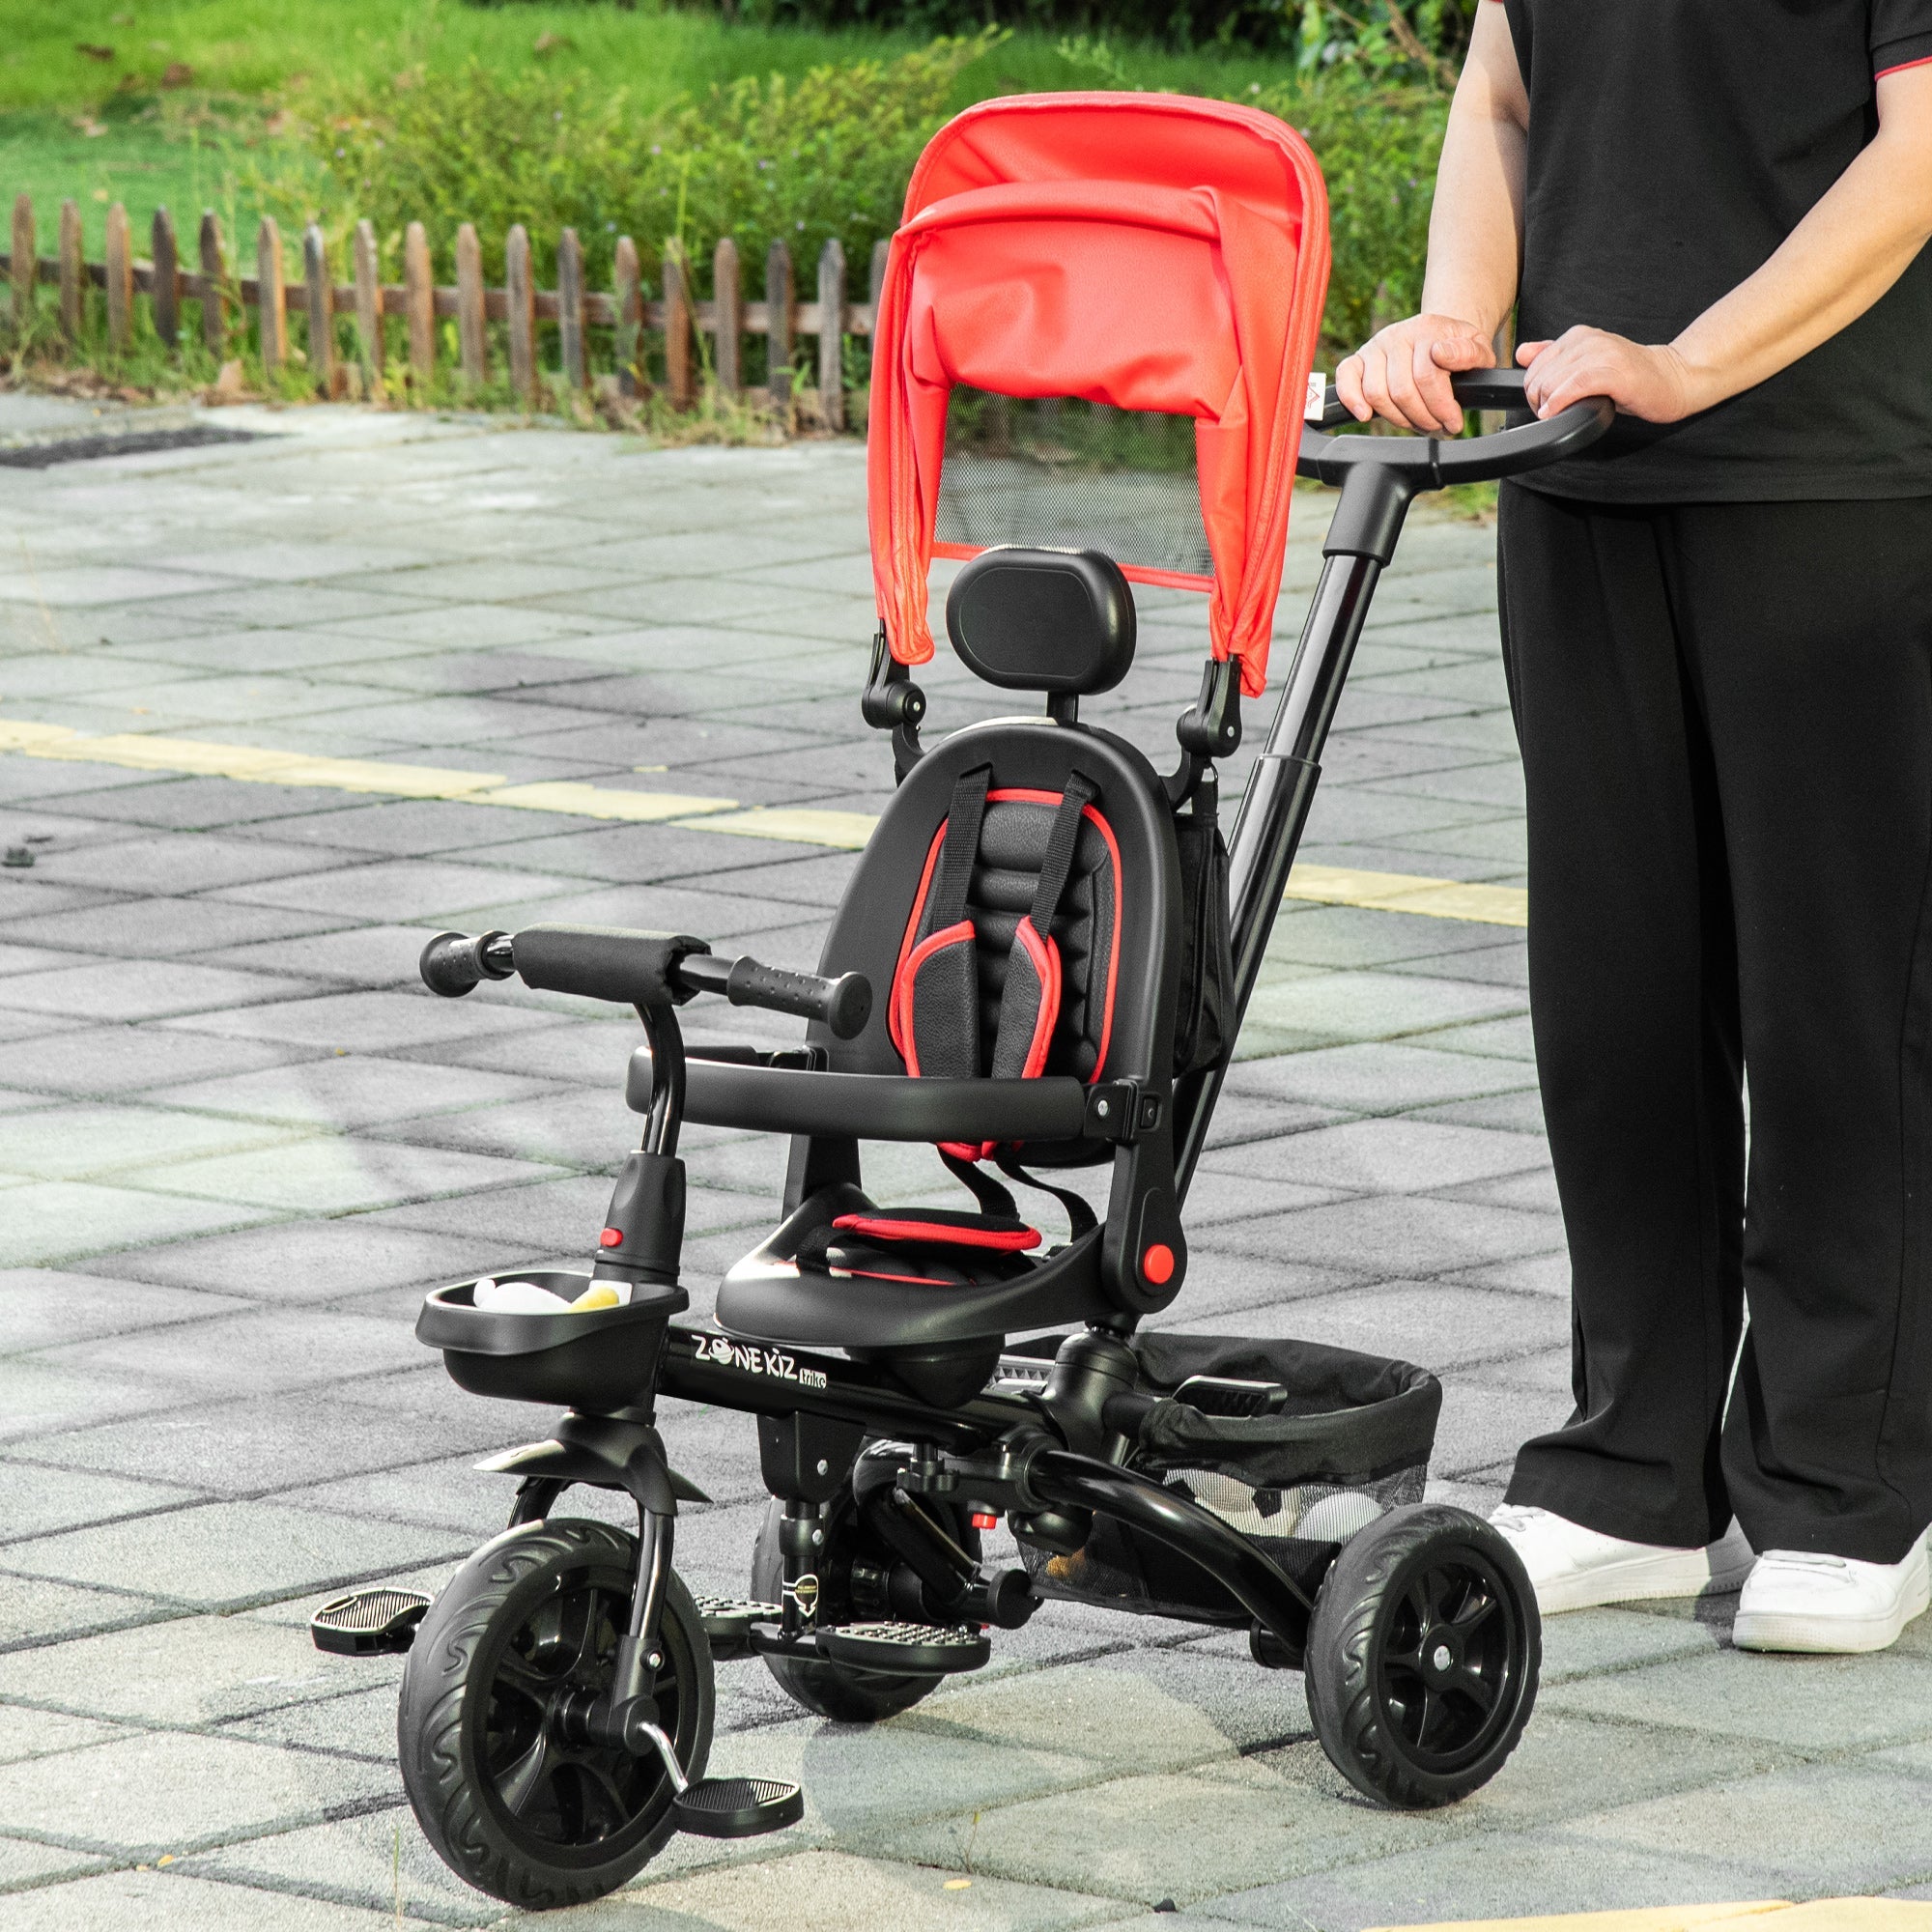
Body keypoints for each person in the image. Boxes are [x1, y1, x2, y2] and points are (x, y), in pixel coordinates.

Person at [1337, 0, 1932, 1653]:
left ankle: (1851, 1486)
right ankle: (1632, 1470)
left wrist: (1687, 364)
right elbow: (1503, 93)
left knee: (1839, 1011)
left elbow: (1920, 156)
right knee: (1617, 1008)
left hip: (1833, 480)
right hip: (1581, 480)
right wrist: (1461, 318)